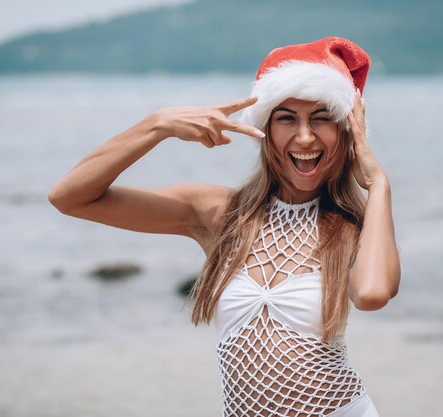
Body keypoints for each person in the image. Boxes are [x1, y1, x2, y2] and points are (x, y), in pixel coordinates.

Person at [48, 36, 400, 417]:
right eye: (286, 118)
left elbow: (371, 295)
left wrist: (378, 184)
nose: (304, 136)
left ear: (347, 131)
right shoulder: (220, 214)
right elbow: (70, 197)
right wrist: (158, 124)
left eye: (322, 118)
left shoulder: (352, 227)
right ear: (264, 129)